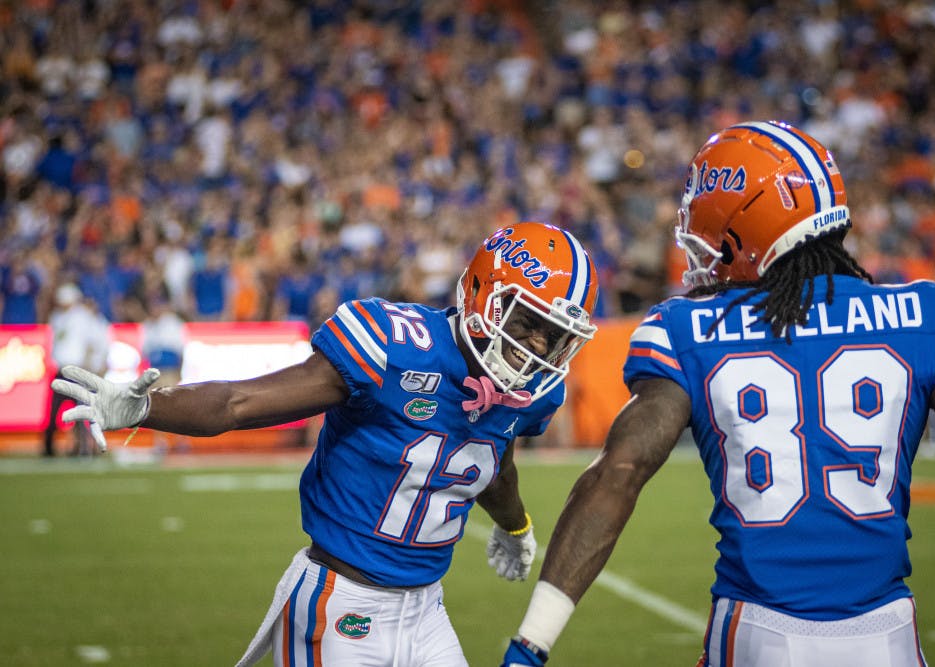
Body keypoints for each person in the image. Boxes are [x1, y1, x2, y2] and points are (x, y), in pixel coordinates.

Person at [500, 121, 935, 667]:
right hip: (888, 638)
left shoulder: (689, 330)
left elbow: (617, 474)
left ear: (749, 229)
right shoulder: (926, 316)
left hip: (757, 633)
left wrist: (531, 642)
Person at [51, 221, 600, 666]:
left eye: (554, 336)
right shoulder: (395, 345)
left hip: (428, 613)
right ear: (483, 295)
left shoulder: (533, 392)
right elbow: (239, 402)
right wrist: (145, 408)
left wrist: (515, 524)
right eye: (527, 323)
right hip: (341, 605)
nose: (536, 347)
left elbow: (496, 459)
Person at [43, 282, 111, 456]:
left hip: (76, 370)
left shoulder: (82, 317)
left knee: (82, 412)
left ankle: (85, 448)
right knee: (54, 412)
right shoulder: (57, 317)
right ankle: (50, 448)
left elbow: (92, 343)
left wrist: (89, 366)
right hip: (61, 369)